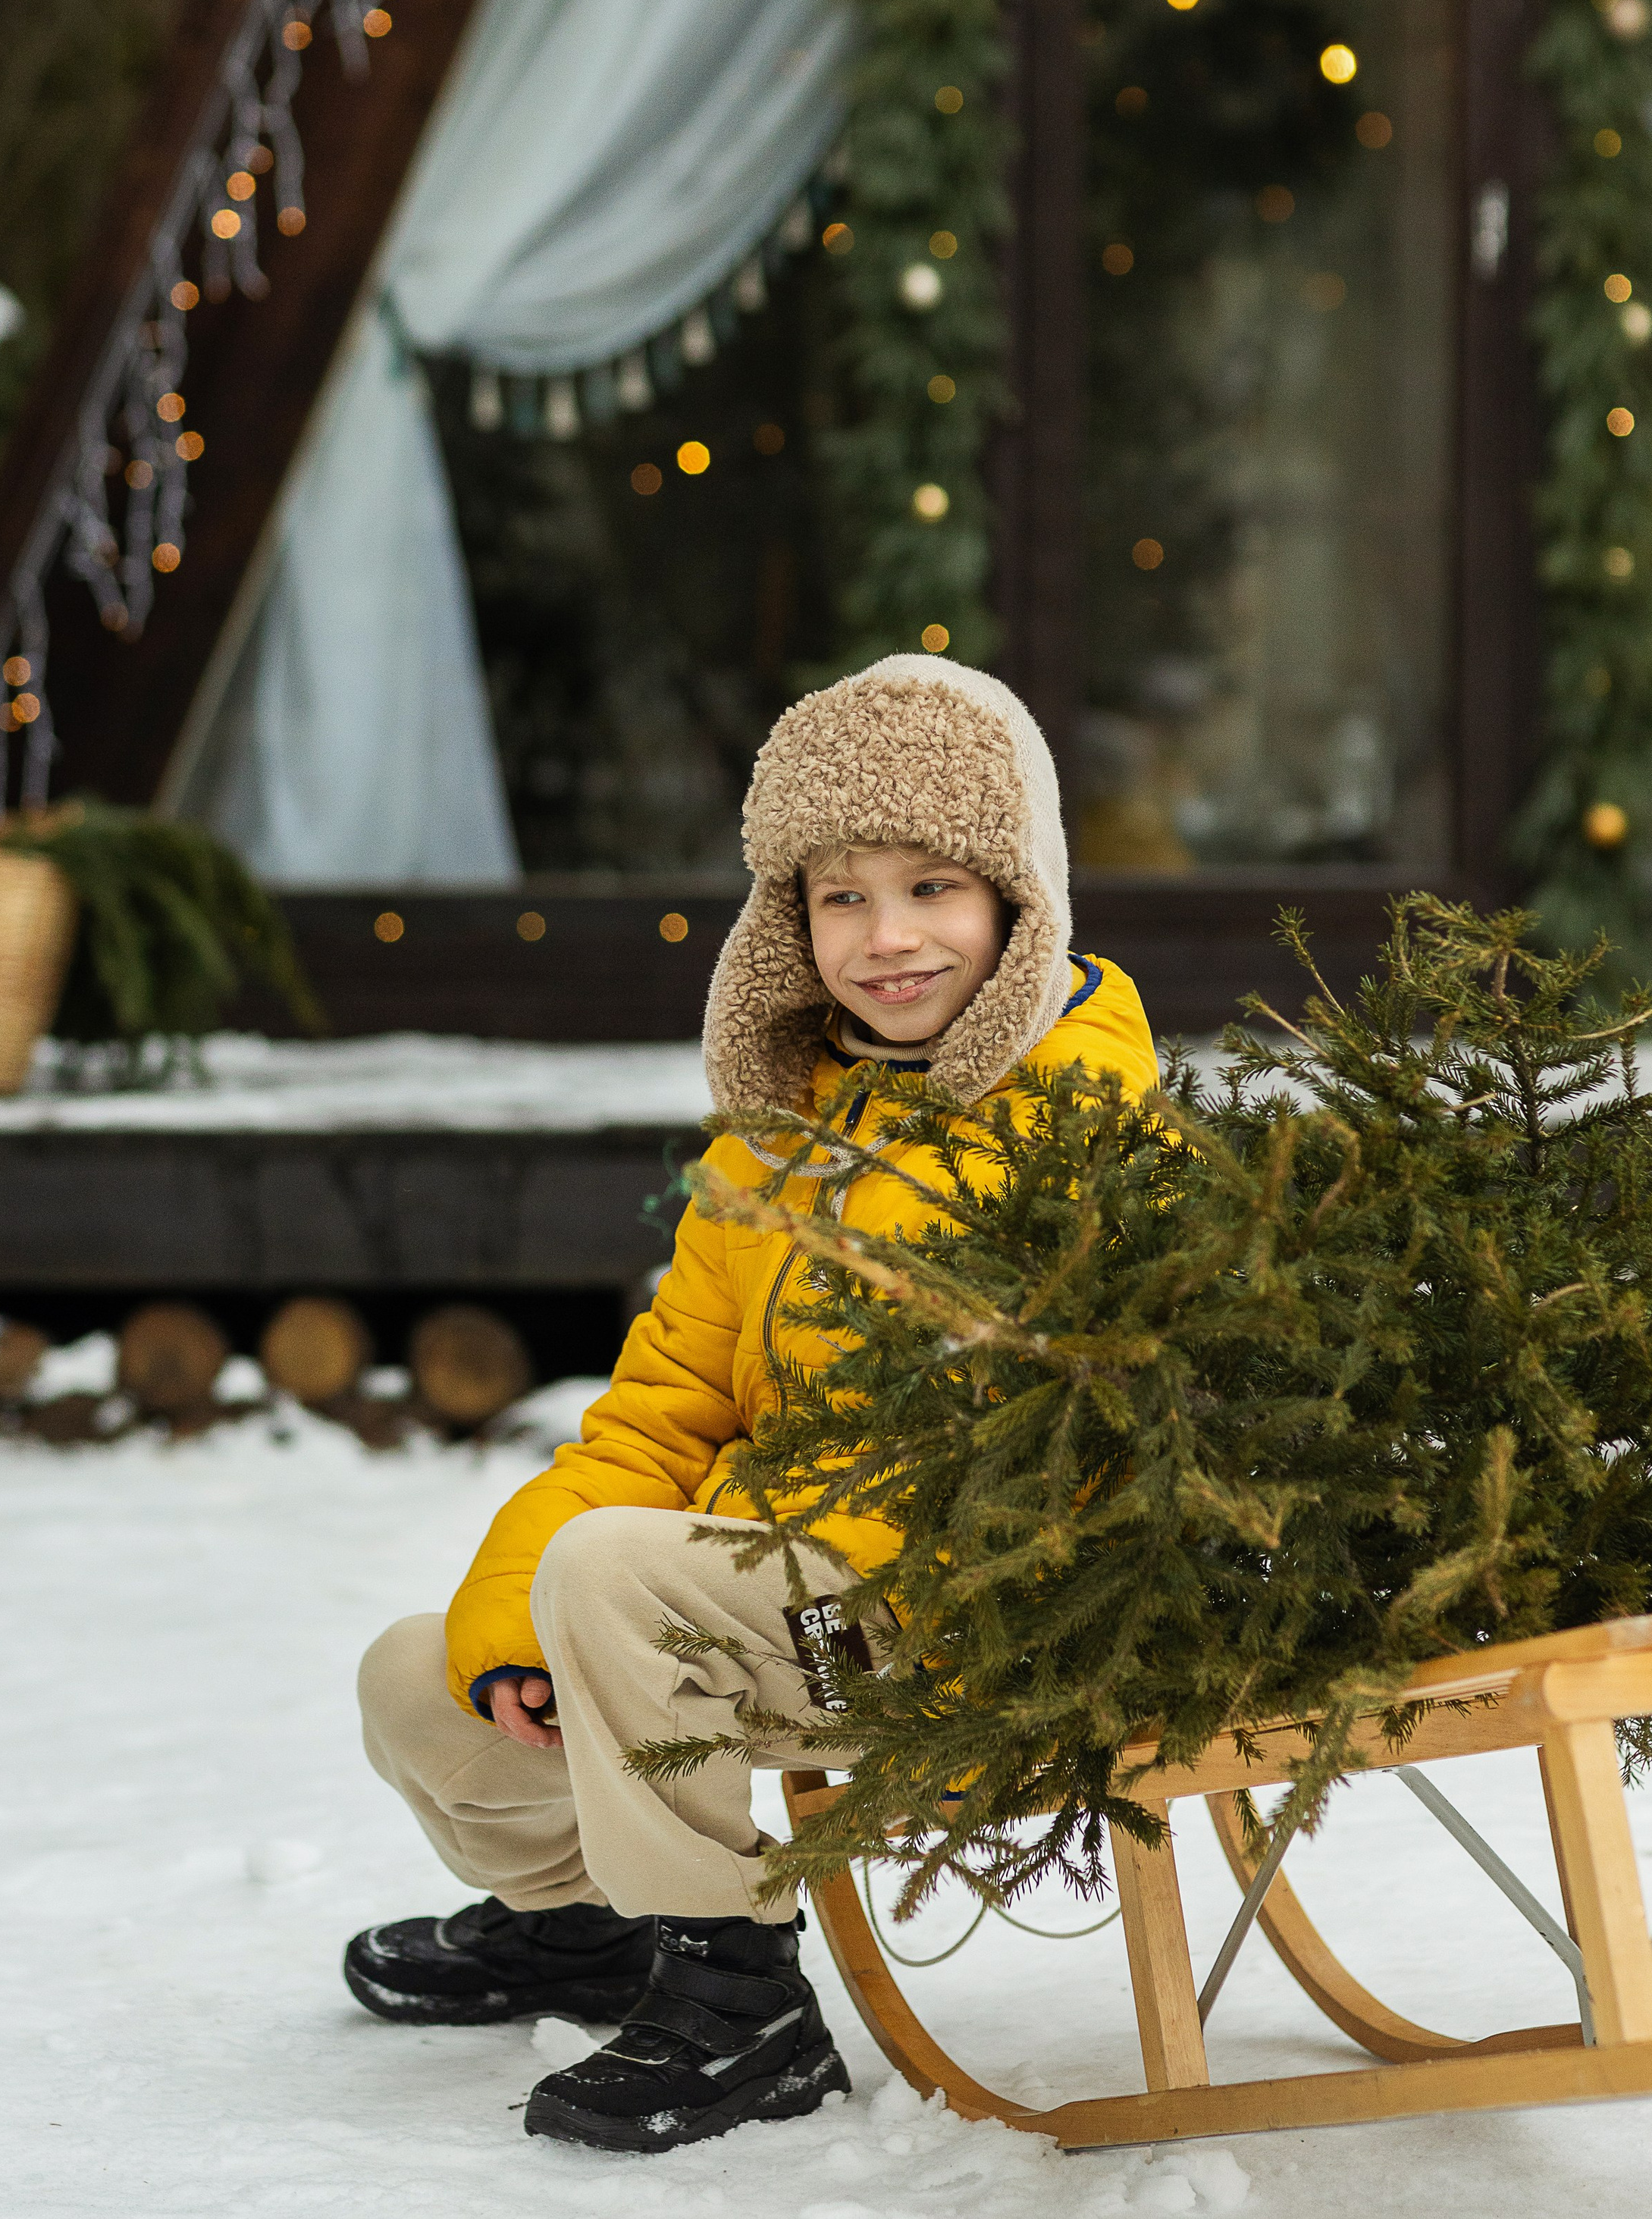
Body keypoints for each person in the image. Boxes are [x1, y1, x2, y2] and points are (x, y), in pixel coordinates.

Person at [344, 653, 1158, 2154]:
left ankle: (742, 2009)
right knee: (419, 1673)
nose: (886, 936)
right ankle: (593, 1924)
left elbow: (1034, 1451)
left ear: (1018, 901)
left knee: (613, 1581)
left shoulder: (1081, 1128)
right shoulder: (772, 1153)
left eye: (932, 886)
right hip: (771, 1601)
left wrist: (670, 1583)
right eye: (840, 894)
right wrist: (526, 1619)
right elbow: (652, 1415)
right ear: (786, 920)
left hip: (959, 1625)